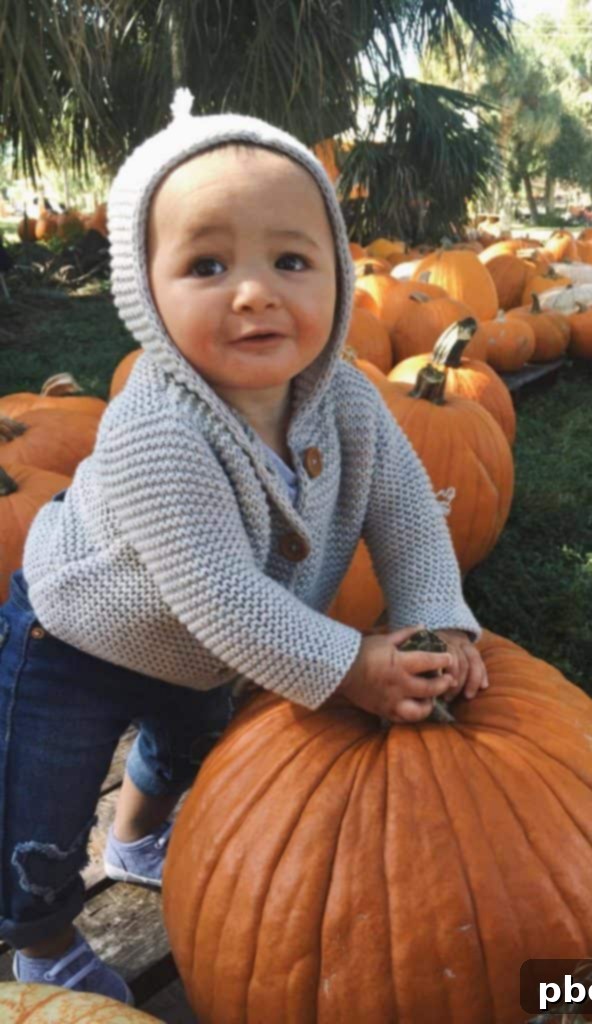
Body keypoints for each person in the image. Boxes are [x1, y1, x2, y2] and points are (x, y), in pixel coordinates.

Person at [0, 89, 486, 1004]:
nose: (255, 291)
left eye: (291, 259)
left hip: (205, 649)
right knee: (43, 802)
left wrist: (433, 614)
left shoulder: (347, 399)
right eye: (209, 263)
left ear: (338, 276)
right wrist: (351, 666)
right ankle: (39, 937)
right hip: (74, 636)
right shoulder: (157, 427)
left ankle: (138, 840)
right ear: (146, 291)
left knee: (188, 743)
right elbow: (225, 595)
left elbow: (409, 511)